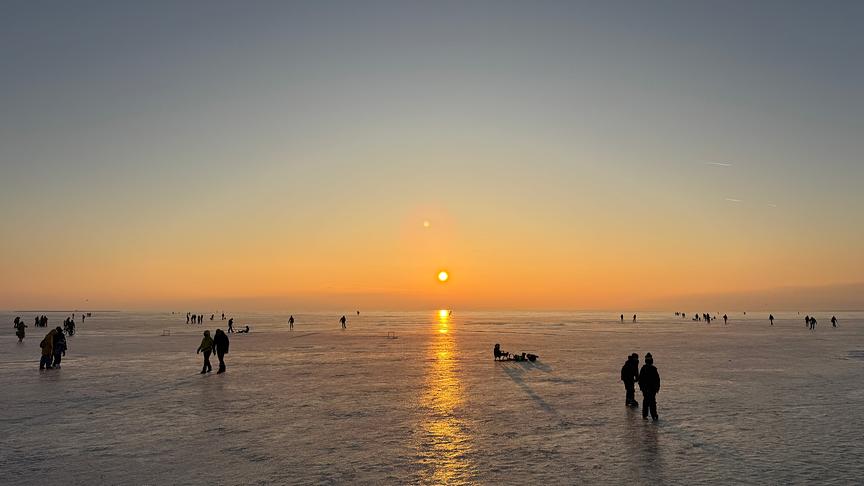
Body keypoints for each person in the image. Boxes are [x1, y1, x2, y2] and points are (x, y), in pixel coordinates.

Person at [638, 353, 661, 421]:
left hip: (649, 389)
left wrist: (642, 387)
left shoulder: (645, 368)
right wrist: (657, 388)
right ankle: (652, 415)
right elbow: (657, 379)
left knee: (647, 402)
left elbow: (640, 379)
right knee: (651, 402)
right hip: (650, 389)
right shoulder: (652, 369)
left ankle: (647, 415)